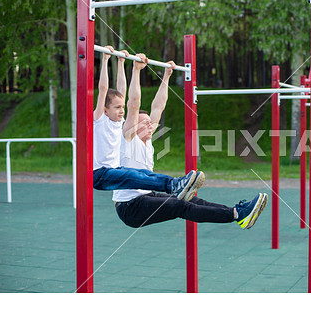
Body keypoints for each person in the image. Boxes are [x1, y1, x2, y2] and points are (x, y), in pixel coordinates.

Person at [113, 62, 268, 229]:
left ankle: (237, 212)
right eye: (144, 124)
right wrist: (136, 70)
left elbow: (158, 106)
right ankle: (237, 215)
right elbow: (133, 103)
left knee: (190, 198)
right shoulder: (128, 140)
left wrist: (166, 75)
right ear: (133, 127)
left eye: (150, 123)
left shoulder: (147, 141)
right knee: (180, 206)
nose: (150, 126)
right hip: (130, 207)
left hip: (146, 196)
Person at [92, 46, 203, 201]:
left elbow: (123, 91)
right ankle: (173, 185)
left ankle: (176, 185)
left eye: (122, 107)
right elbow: (103, 88)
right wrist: (105, 60)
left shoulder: (120, 122)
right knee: (133, 174)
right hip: (99, 174)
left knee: (143, 174)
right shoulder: (99, 120)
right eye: (117, 108)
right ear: (105, 110)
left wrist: (121, 62)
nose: (121, 111)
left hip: (115, 171)